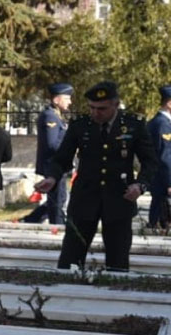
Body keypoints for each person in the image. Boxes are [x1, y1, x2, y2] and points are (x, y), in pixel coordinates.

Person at [35, 81, 156, 272]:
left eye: (102, 108)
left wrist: (140, 185)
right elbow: (62, 158)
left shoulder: (134, 126)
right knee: (70, 260)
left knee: (117, 263)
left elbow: (150, 161)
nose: (96, 113)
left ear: (115, 105)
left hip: (119, 199)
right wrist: (52, 178)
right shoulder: (80, 125)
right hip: (84, 199)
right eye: (92, 108)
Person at [24, 83, 73, 224]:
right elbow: (52, 144)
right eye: (67, 98)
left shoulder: (56, 116)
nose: (70, 102)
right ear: (56, 100)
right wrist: (70, 149)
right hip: (53, 165)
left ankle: (31, 220)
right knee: (57, 201)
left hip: (59, 165)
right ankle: (56, 226)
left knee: (59, 199)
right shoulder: (50, 117)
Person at [147, 84, 171, 228]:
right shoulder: (163, 124)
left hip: (160, 179)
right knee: (159, 224)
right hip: (162, 180)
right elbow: (166, 155)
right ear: (169, 103)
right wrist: (170, 182)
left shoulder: (161, 122)